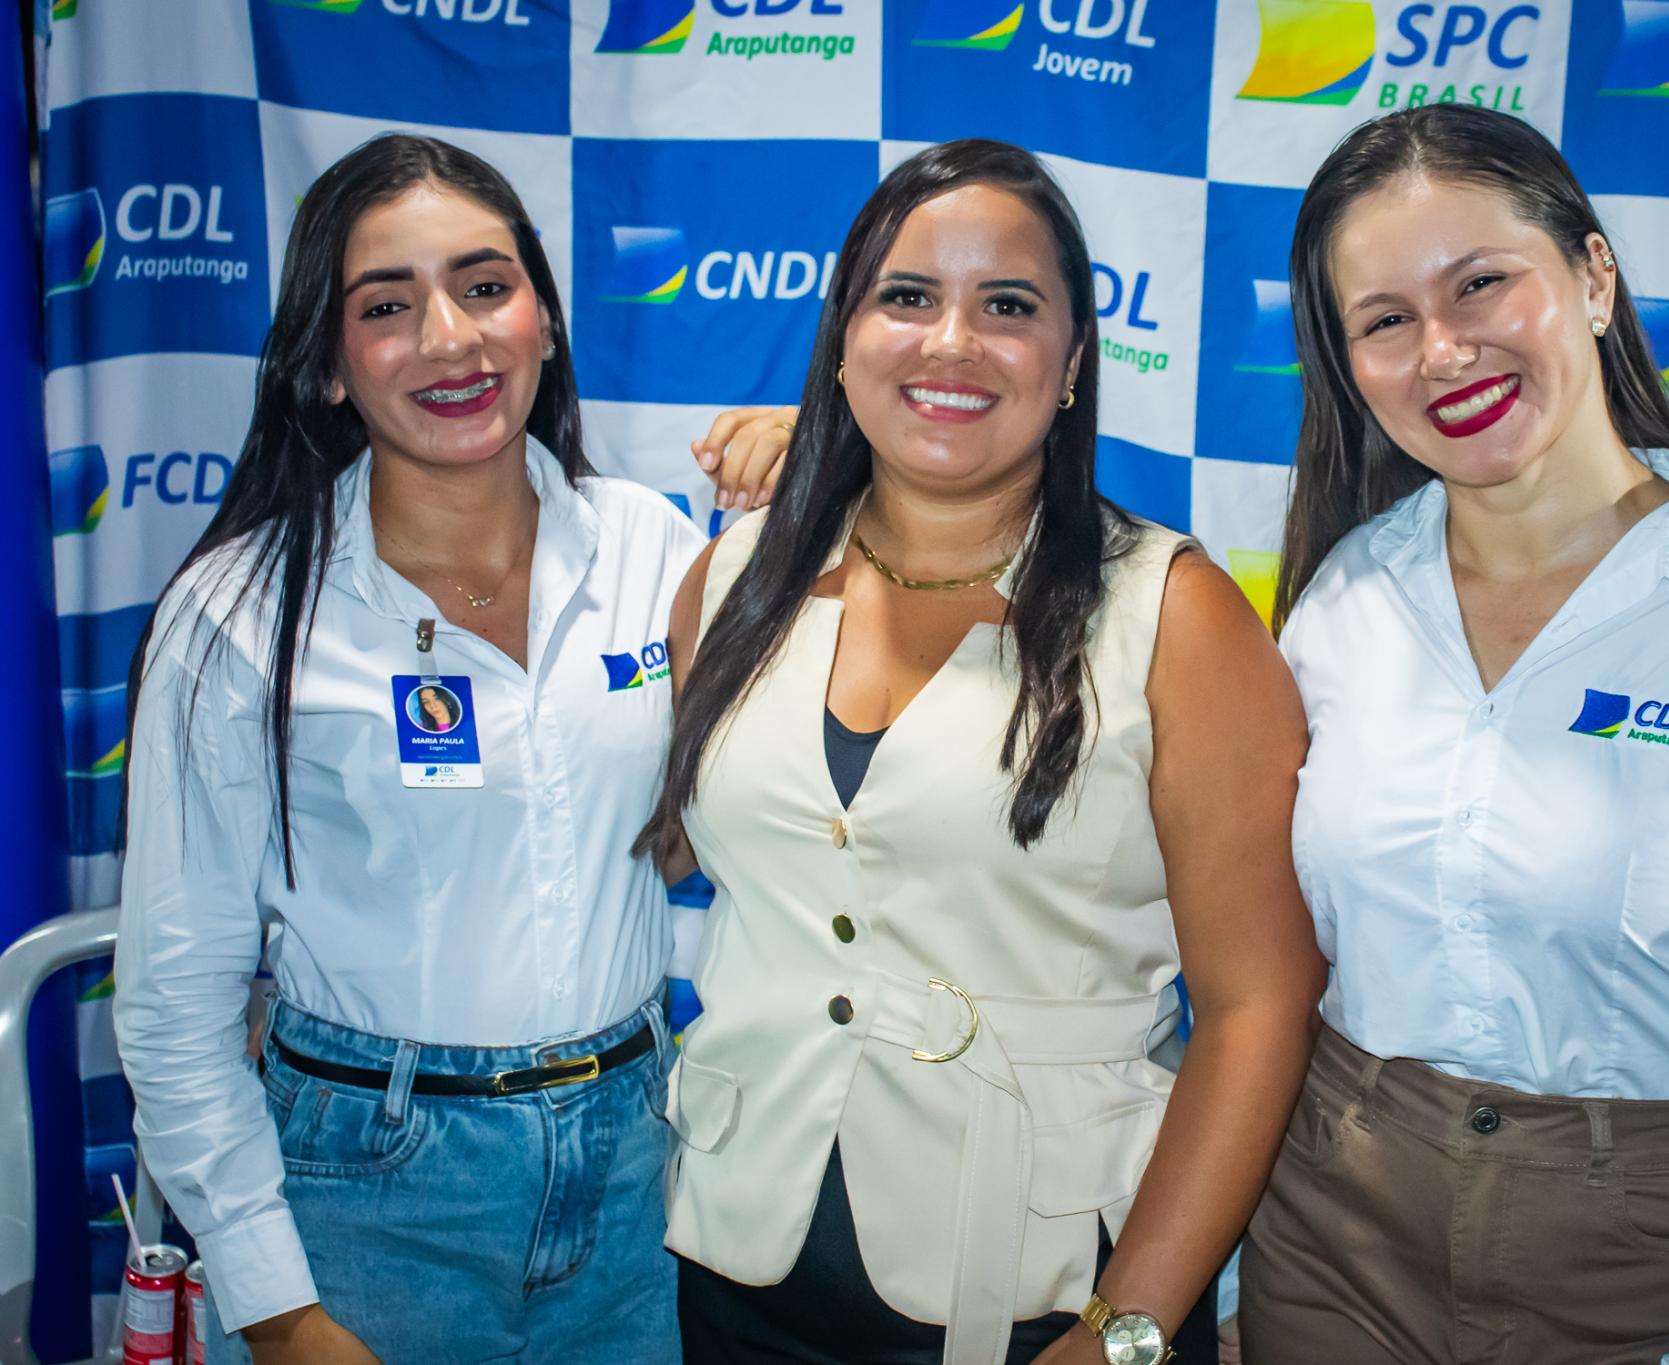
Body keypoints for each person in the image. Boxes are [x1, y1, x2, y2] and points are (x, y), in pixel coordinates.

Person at [1235, 106, 1669, 1365]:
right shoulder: (1340, 602)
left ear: (1592, 278)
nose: (1442, 351)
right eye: (1384, 321)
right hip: (1332, 1239)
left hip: (1638, 1259)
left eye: (1479, 283)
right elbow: (1273, 970)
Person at [639, 138, 1327, 1365]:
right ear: (841, 337)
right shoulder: (733, 579)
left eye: (1006, 307)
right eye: (905, 298)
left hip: (1044, 1298)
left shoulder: (1172, 616)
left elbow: (1257, 1007)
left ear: (1072, 364)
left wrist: (1128, 1327)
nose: (951, 341)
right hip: (733, 1272)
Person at [113, 134, 706, 1365]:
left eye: (485, 286)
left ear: (545, 319)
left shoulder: (653, 548)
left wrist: (818, 466)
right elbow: (176, 1002)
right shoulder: (239, 613)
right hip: (365, 1193)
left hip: (635, 1177)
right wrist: (278, 1311)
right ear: (328, 366)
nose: (450, 338)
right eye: (386, 306)